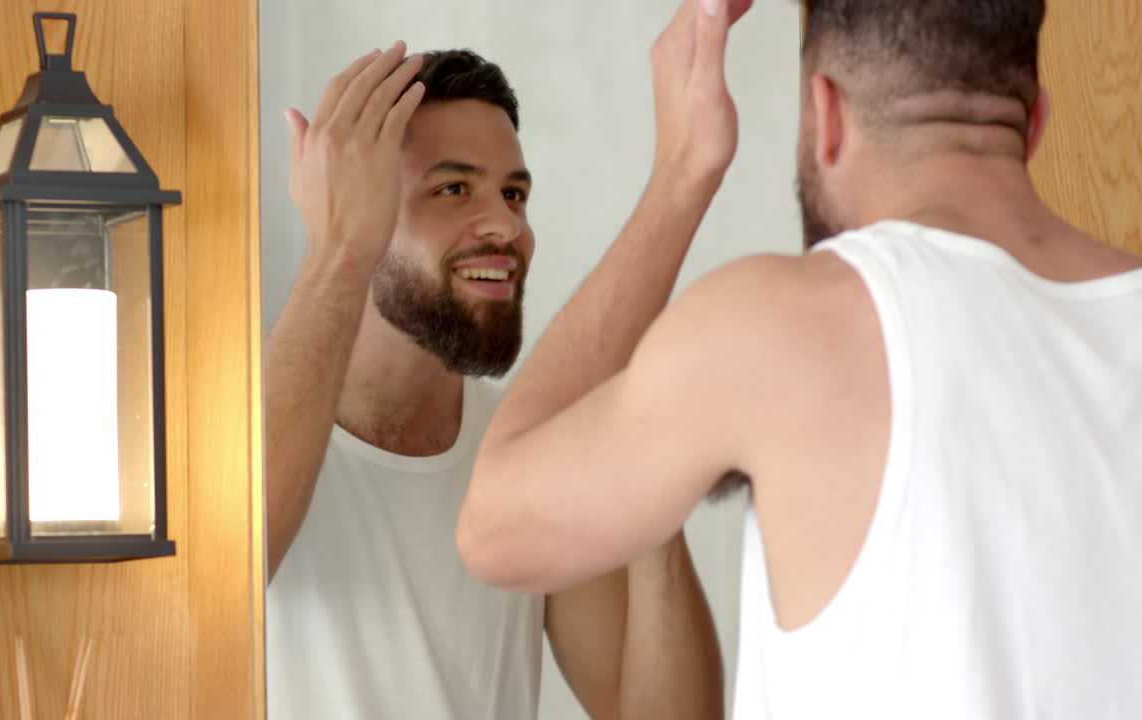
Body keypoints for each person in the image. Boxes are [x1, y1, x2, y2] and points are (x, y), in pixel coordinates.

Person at [459, 0, 1142, 717]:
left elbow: (493, 530)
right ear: (1035, 124)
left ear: (826, 115)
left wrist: (681, 173)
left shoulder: (782, 325)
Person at [263, 43, 722, 719]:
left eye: (514, 193)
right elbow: (224, 575)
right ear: (352, 201)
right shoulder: (229, 423)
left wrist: (653, 468)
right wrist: (340, 246)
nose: (508, 226)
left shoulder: (520, 462)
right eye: (454, 189)